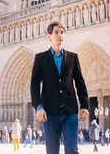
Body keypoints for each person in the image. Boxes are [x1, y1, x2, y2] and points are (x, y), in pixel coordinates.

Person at [31, 21, 89, 154]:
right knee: (52, 151)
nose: (59, 35)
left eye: (62, 32)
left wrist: (85, 105)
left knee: (72, 151)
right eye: (56, 32)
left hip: (70, 111)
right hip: (50, 112)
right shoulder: (40, 58)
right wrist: (38, 106)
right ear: (49, 36)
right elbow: (34, 84)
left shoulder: (73, 57)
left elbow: (80, 82)